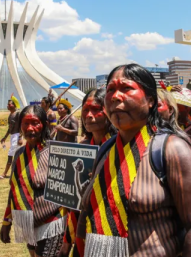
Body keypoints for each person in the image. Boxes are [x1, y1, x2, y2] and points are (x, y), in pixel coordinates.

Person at [77, 63, 191, 256]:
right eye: (110, 90)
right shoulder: (106, 150)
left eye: (126, 88)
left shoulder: (173, 150)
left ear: (150, 100)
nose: (115, 97)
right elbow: (88, 212)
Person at [0, 105, 66, 257]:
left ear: (44, 125)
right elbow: (14, 190)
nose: (30, 128)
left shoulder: (55, 153)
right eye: (25, 123)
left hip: (53, 223)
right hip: (29, 223)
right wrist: (6, 221)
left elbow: (69, 194)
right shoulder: (19, 155)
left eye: (35, 123)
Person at [59, 88, 115, 257]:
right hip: (83, 232)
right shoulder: (81, 148)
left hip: (111, 233)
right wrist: (67, 241)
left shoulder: (119, 147)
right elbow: (73, 203)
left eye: (96, 109)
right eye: (85, 110)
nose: (89, 115)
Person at [0, 97, 22, 180]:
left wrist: (20, 137)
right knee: (17, 155)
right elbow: (10, 128)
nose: (7, 105)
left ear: (14, 105)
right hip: (13, 136)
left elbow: (22, 126)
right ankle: (18, 173)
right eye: (7, 104)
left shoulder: (18, 114)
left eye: (9, 104)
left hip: (17, 136)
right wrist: (4, 137)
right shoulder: (10, 115)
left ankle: (4, 173)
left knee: (11, 154)